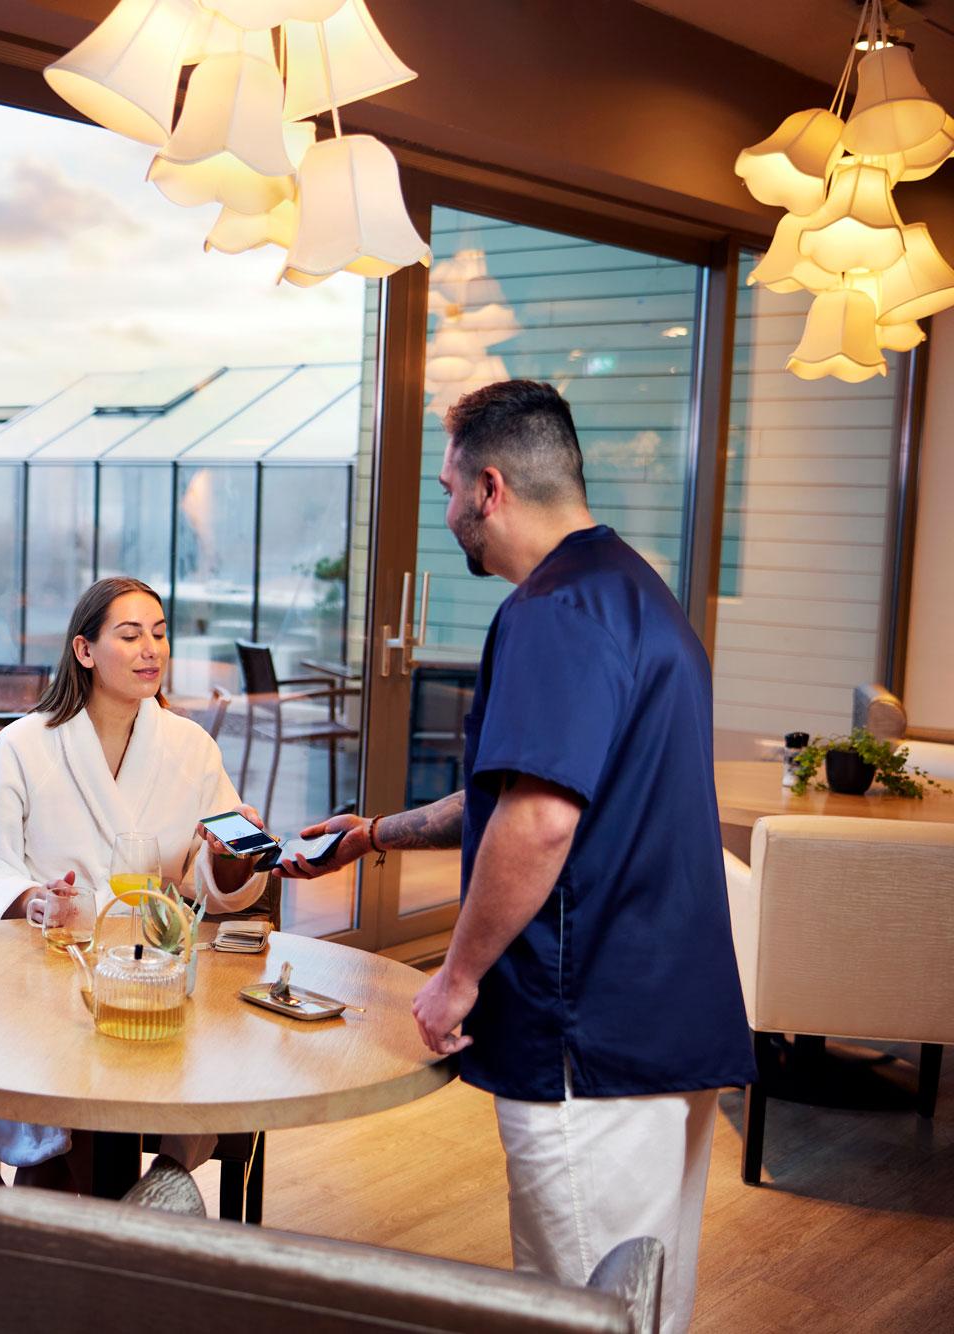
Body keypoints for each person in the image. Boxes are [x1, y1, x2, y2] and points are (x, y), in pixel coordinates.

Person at [279, 380, 753, 1334]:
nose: (448, 510)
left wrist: (454, 978)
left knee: (576, 1310)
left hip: (590, 1033)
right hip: (664, 1020)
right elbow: (515, 793)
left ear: (489, 488)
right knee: (644, 1304)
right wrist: (373, 834)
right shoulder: (631, 589)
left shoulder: (551, 613)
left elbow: (538, 824)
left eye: (450, 486)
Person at [0, 576, 273, 1186]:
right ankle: (90, 1232)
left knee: (197, 1054)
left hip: (158, 977)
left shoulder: (191, 746)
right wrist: (33, 899)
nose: (151, 649)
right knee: (69, 1102)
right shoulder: (23, 746)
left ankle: (143, 1203)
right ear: (85, 651)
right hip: (48, 973)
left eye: (159, 633)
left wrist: (234, 858)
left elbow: (204, 880)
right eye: (130, 635)